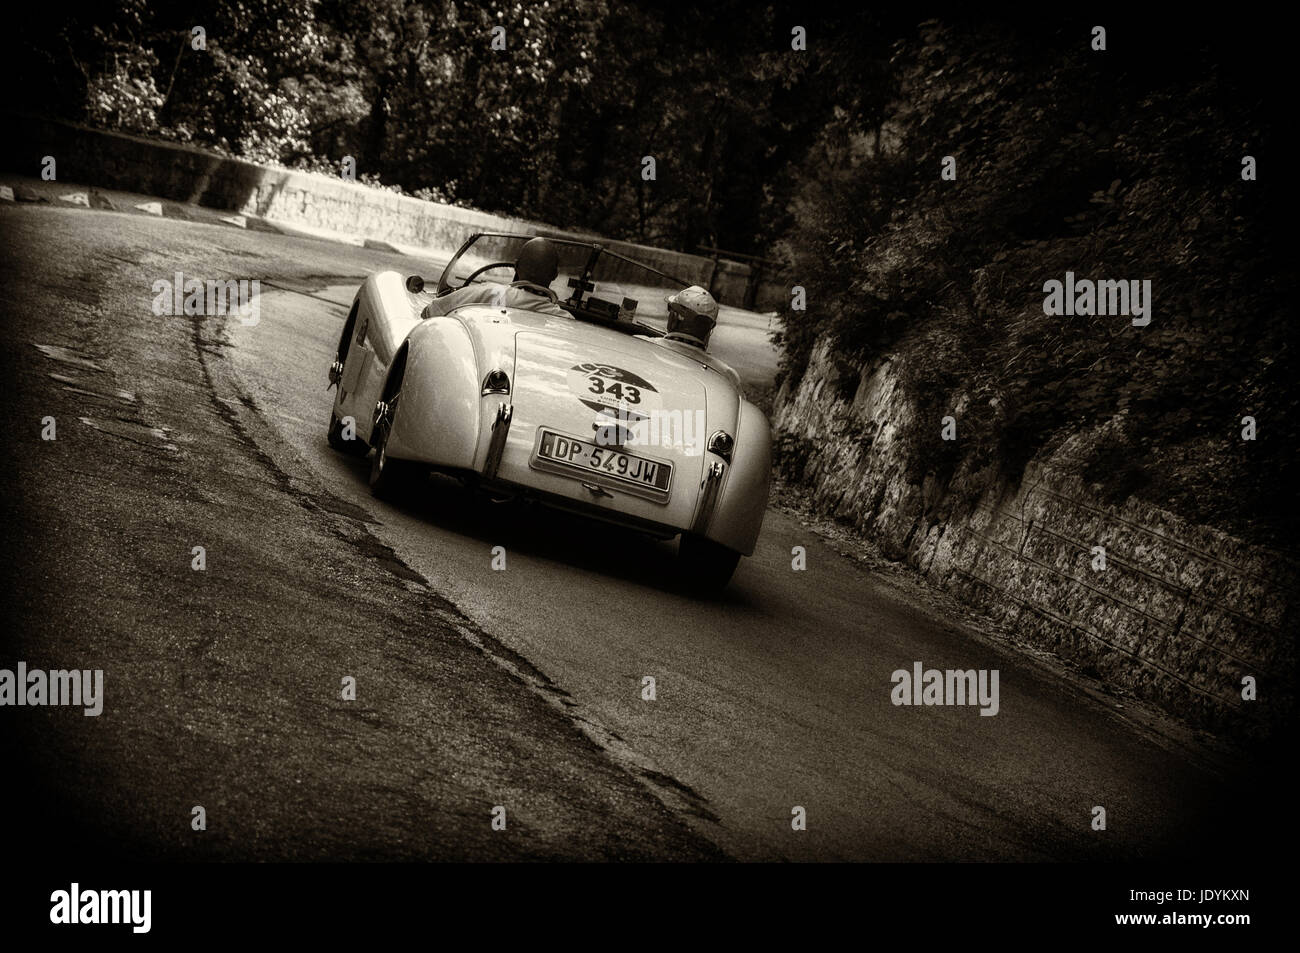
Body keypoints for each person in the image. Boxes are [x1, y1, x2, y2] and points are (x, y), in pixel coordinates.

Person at [422, 237, 570, 319]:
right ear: (554, 275)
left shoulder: (488, 292)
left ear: (516, 267)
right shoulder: (564, 319)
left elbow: (430, 312)